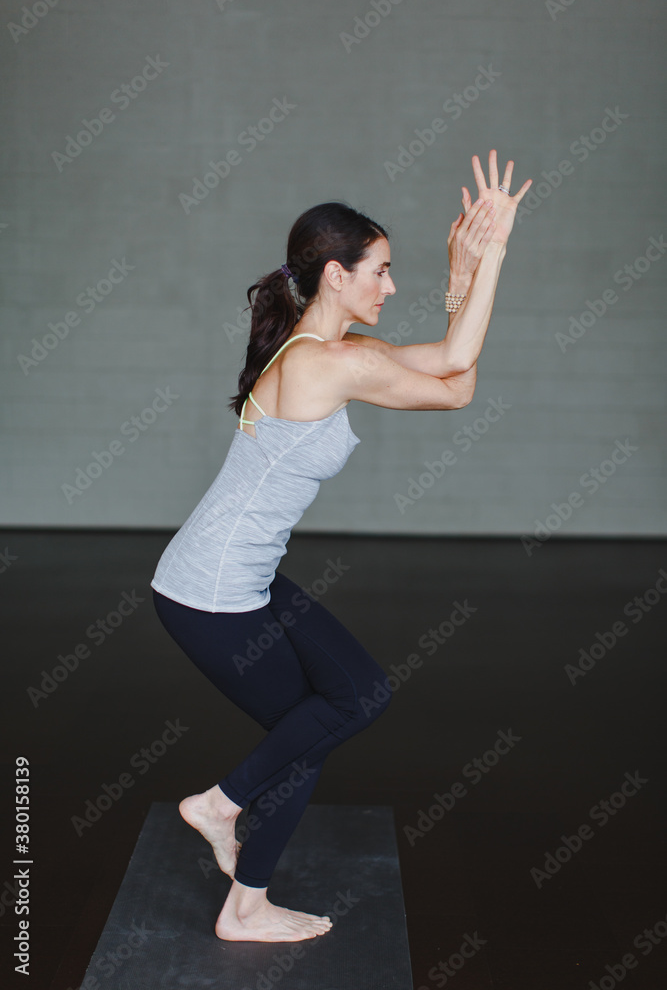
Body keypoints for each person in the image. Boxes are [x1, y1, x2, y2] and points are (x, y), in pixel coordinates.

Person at [150, 150, 532, 943]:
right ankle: (226, 830)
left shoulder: (312, 350)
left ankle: (235, 857)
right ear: (334, 274)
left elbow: (452, 385)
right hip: (210, 592)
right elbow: (456, 367)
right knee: (335, 712)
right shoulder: (329, 363)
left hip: (238, 577)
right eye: (382, 272)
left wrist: (463, 276)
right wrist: (489, 253)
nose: (391, 288)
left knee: (336, 705)